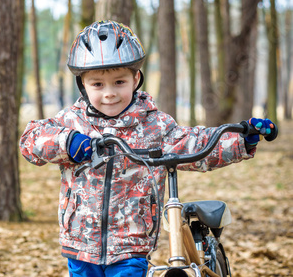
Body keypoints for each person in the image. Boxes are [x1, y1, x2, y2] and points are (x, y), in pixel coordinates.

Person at [19, 20, 275, 277]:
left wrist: (242, 140)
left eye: (119, 82)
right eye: (98, 85)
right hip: (80, 242)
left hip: (132, 243)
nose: (109, 93)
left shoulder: (154, 125)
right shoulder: (72, 121)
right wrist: (66, 142)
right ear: (82, 85)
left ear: (135, 79)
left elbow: (195, 144)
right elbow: (30, 139)